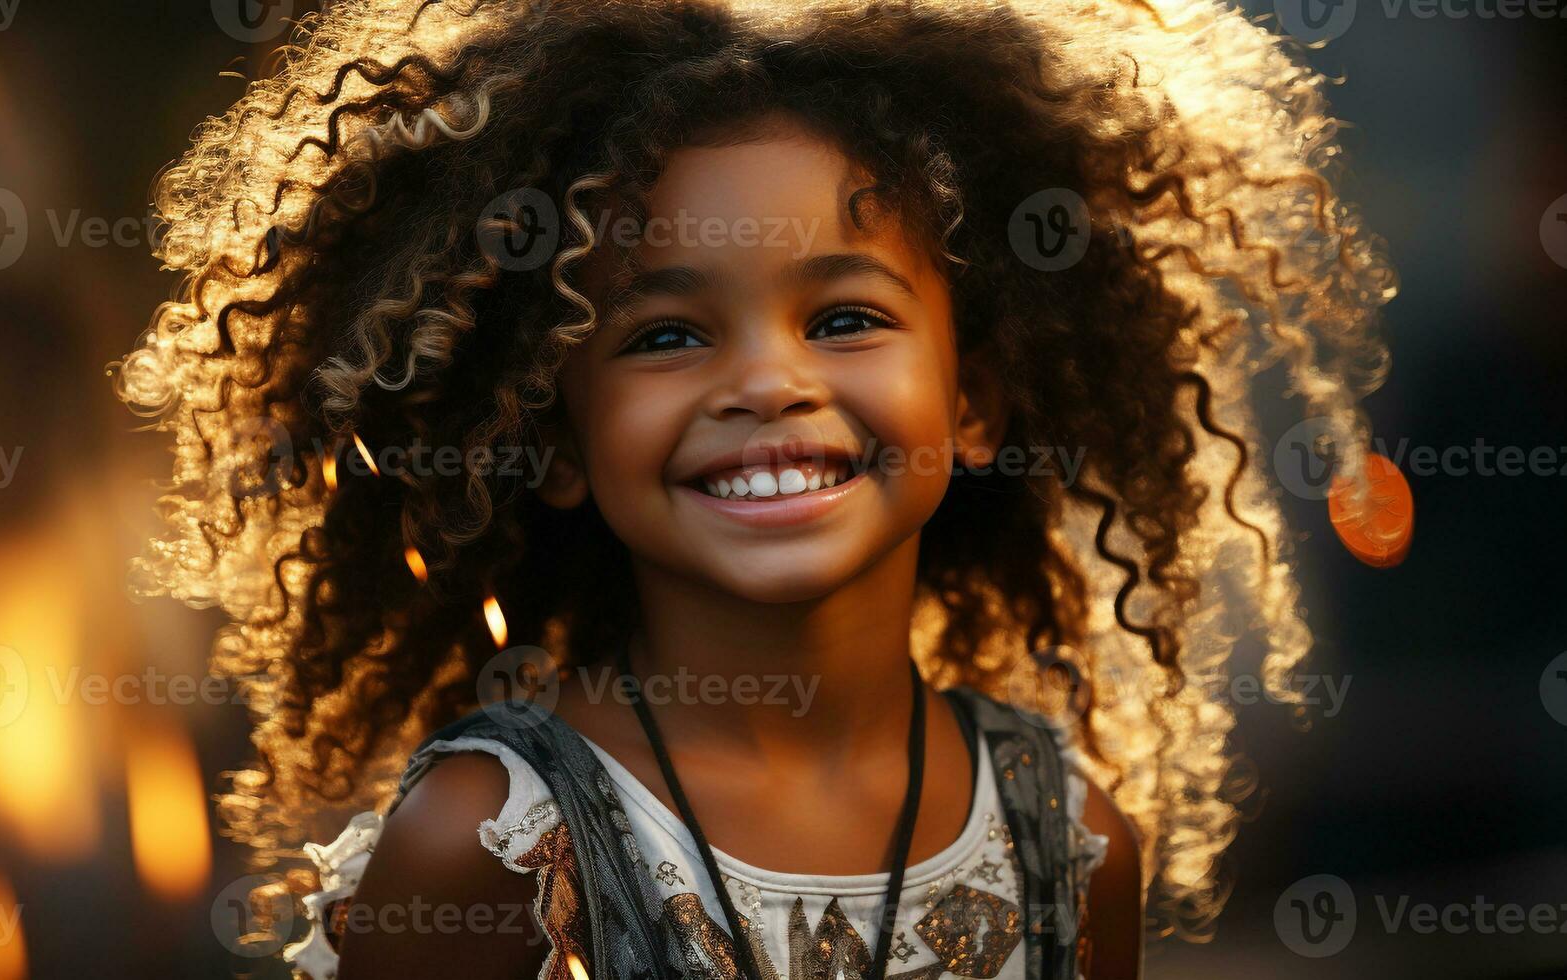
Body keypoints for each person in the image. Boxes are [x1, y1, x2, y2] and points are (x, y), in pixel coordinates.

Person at [115, 1, 1395, 977]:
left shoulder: (1069, 843)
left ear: (974, 400)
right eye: (664, 335)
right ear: (551, 435)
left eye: (844, 316)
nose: (768, 381)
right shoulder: (493, 843)